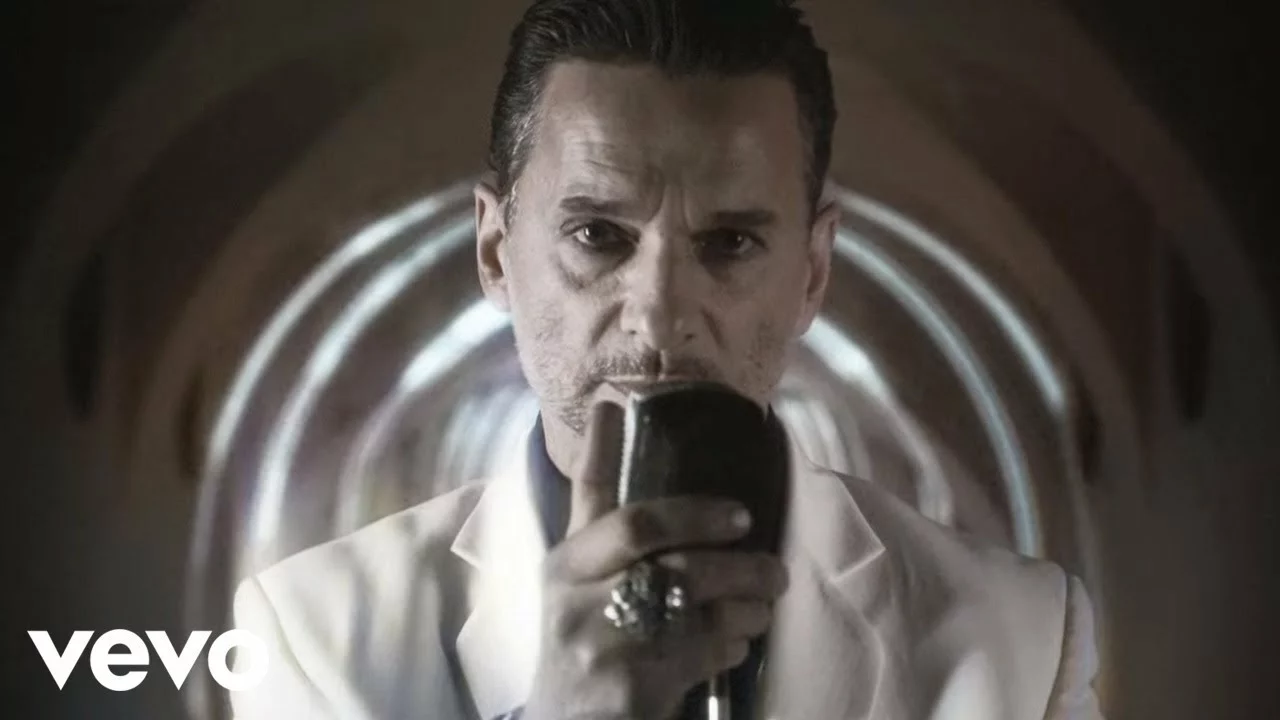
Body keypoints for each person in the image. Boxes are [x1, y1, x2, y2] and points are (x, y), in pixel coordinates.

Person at [229, 1, 1104, 718]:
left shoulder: (1022, 642)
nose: (659, 316)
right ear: (495, 252)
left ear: (812, 273)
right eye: (597, 235)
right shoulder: (312, 632)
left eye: (729, 242)